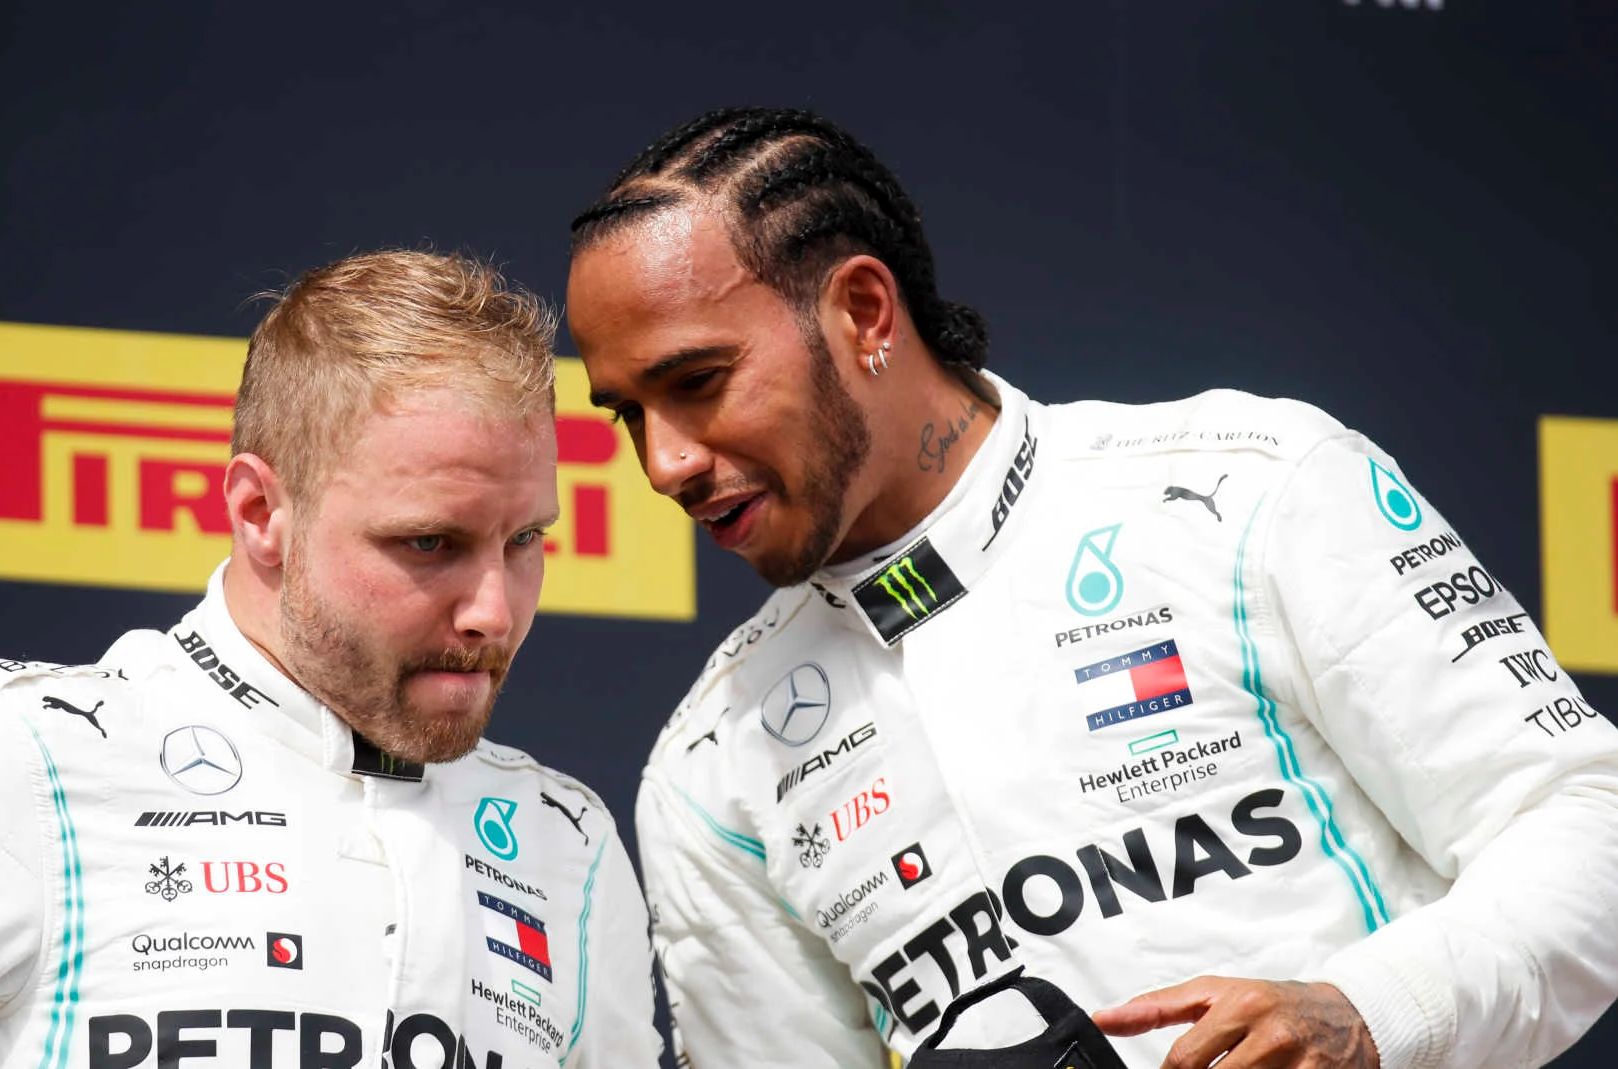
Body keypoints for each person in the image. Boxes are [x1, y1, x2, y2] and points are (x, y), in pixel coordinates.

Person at [565, 107, 1618, 1069]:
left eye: (697, 384)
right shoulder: (713, 761)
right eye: (624, 415)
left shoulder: (1244, 487)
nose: (664, 465)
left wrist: (1365, 1012)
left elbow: (1588, 822)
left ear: (864, 310)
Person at [0, 250, 661, 1069]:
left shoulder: (565, 842)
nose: (493, 609)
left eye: (526, 540)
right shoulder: (21, 755)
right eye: (428, 543)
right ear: (261, 515)